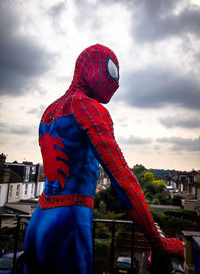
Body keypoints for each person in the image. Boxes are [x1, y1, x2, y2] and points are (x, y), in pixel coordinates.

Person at [24, 44, 184, 274]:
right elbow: (123, 180)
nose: (116, 83)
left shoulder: (49, 112)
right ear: (90, 67)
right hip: (70, 220)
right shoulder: (87, 108)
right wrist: (158, 243)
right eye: (112, 71)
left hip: (38, 220)